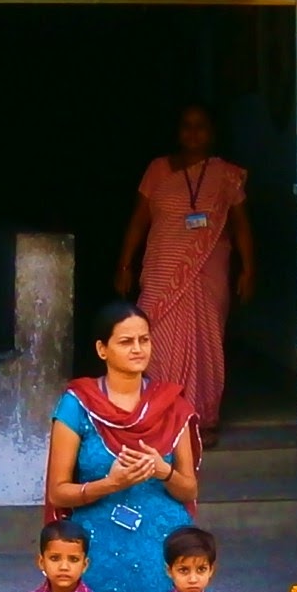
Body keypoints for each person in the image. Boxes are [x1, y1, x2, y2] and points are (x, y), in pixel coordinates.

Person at [44, 301, 199, 592]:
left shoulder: (172, 405)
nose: (138, 349)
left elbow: (189, 487)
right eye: (126, 341)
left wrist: (161, 470)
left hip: (160, 550)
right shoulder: (77, 405)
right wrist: (109, 484)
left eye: (144, 340)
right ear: (102, 349)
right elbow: (58, 489)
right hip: (98, 551)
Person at [112, 102, 255, 438]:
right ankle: (160, 418)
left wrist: (248, 269)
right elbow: (139, 219)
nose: (193, 133)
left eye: (201, 126)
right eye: (187, 126)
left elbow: (241, 225)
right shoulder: (158, 169)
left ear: (212, 132)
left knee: (205, 344)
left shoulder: (226, 175)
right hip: (161, 271)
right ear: (177, 132)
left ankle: (200, 420)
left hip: (208, 273)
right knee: (154, 341)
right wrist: (124, 264)